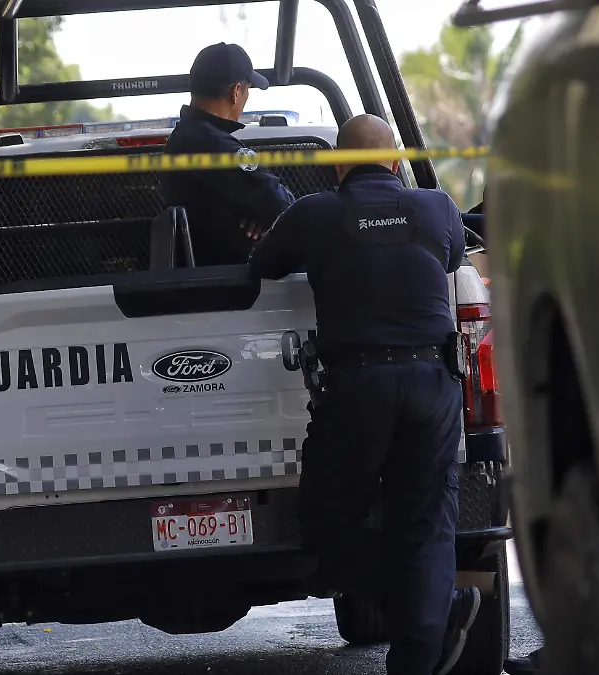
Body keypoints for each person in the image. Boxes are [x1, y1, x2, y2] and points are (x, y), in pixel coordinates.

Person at [249, 114, 478, 675]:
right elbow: (447, 261)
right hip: (433, 383)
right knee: (423, 526)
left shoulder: (313, 215)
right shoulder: (438, 208)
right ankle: (422, 632)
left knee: (327, 522)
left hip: (357, 385)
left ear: (335, 165)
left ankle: (427, 606)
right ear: (397, 162)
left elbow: (262, 265)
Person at [161, 42, 296, 266]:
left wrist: (263, 215)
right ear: (236, 92)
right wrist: (268, 215)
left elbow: (271, 205)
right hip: (228, 287)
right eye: (247, 91)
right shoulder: (215, 145)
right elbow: (285, 207)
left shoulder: (187, 137)